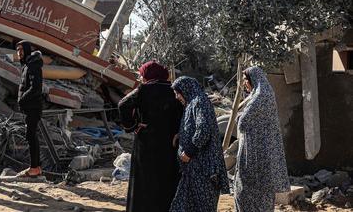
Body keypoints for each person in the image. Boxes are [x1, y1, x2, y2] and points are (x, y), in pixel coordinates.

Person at [118, 60, 183, 212]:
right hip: (170, 143)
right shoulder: (174, 90)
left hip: (147, 143)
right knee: (167, 180)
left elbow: (123, 104)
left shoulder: (144, 89)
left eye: (142, 75)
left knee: (144, 181)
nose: (140, 78)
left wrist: (133, 126)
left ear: (148, 74)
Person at [170, 76, 229, 212]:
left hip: (204, 169)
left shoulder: (199, 102)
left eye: (177, 93)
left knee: (203, 206)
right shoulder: (192, 103)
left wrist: (189, 151)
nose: (177, 97)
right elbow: (194, 125)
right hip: (194, 170)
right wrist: (181, 134)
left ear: (186, 89)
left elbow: (204, 130)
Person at [234, 66, 290, 211]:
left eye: (246, 80)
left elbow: (243, 122)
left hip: (258, 154)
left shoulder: (261, 95)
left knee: (252, 194)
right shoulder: (258, 94)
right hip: (259, 152)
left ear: (254, 78)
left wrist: (240, 117)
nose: (245, 83)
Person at [15, 40, 44, 178]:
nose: (19, 53)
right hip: (29, 107)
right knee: (31, 136)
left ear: (26, 50)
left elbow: (35, 87)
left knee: (31, 136)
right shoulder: (27, 65)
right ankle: (36, 166)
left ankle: (34, 168)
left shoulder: (33, 65)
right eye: (17, 50)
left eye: (21, 50)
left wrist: (22, 99)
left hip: (33, 107)